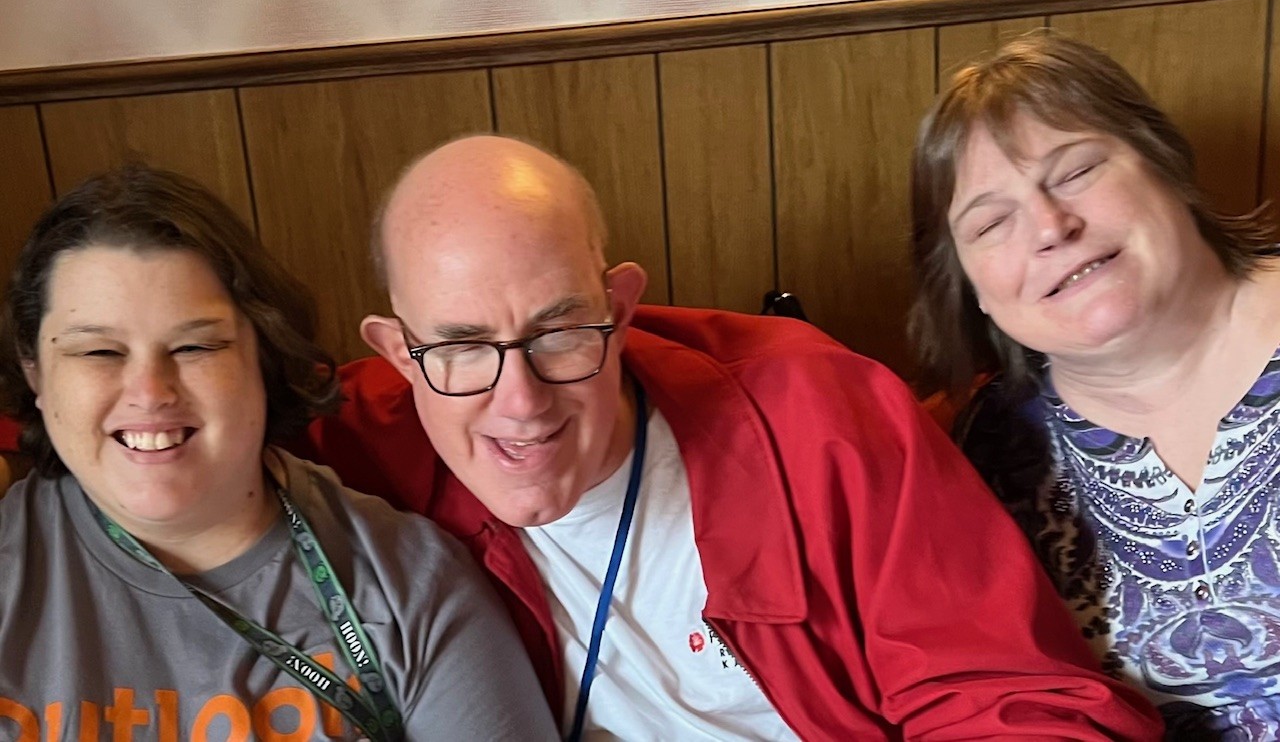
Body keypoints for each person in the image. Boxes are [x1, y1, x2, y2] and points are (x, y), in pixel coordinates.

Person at [292, 134, 1162, 739]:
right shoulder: (346, 453)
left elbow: (1016, 704)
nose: (519, 401)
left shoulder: (819, 412)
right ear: (400, 353)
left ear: (620, 309)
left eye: (560, 333)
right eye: (464, 346)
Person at [0, 169, 557, 741]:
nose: (150, 392)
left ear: (263, 358)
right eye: (98, 350)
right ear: (35, 370)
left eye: (196, 346)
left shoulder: (416, 589)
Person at [910, 31, 1280, 738]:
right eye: (991, 223)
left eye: (1076, 172)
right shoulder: (979, 454)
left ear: (1166, 165)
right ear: (970, 289)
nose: (1050, 227)